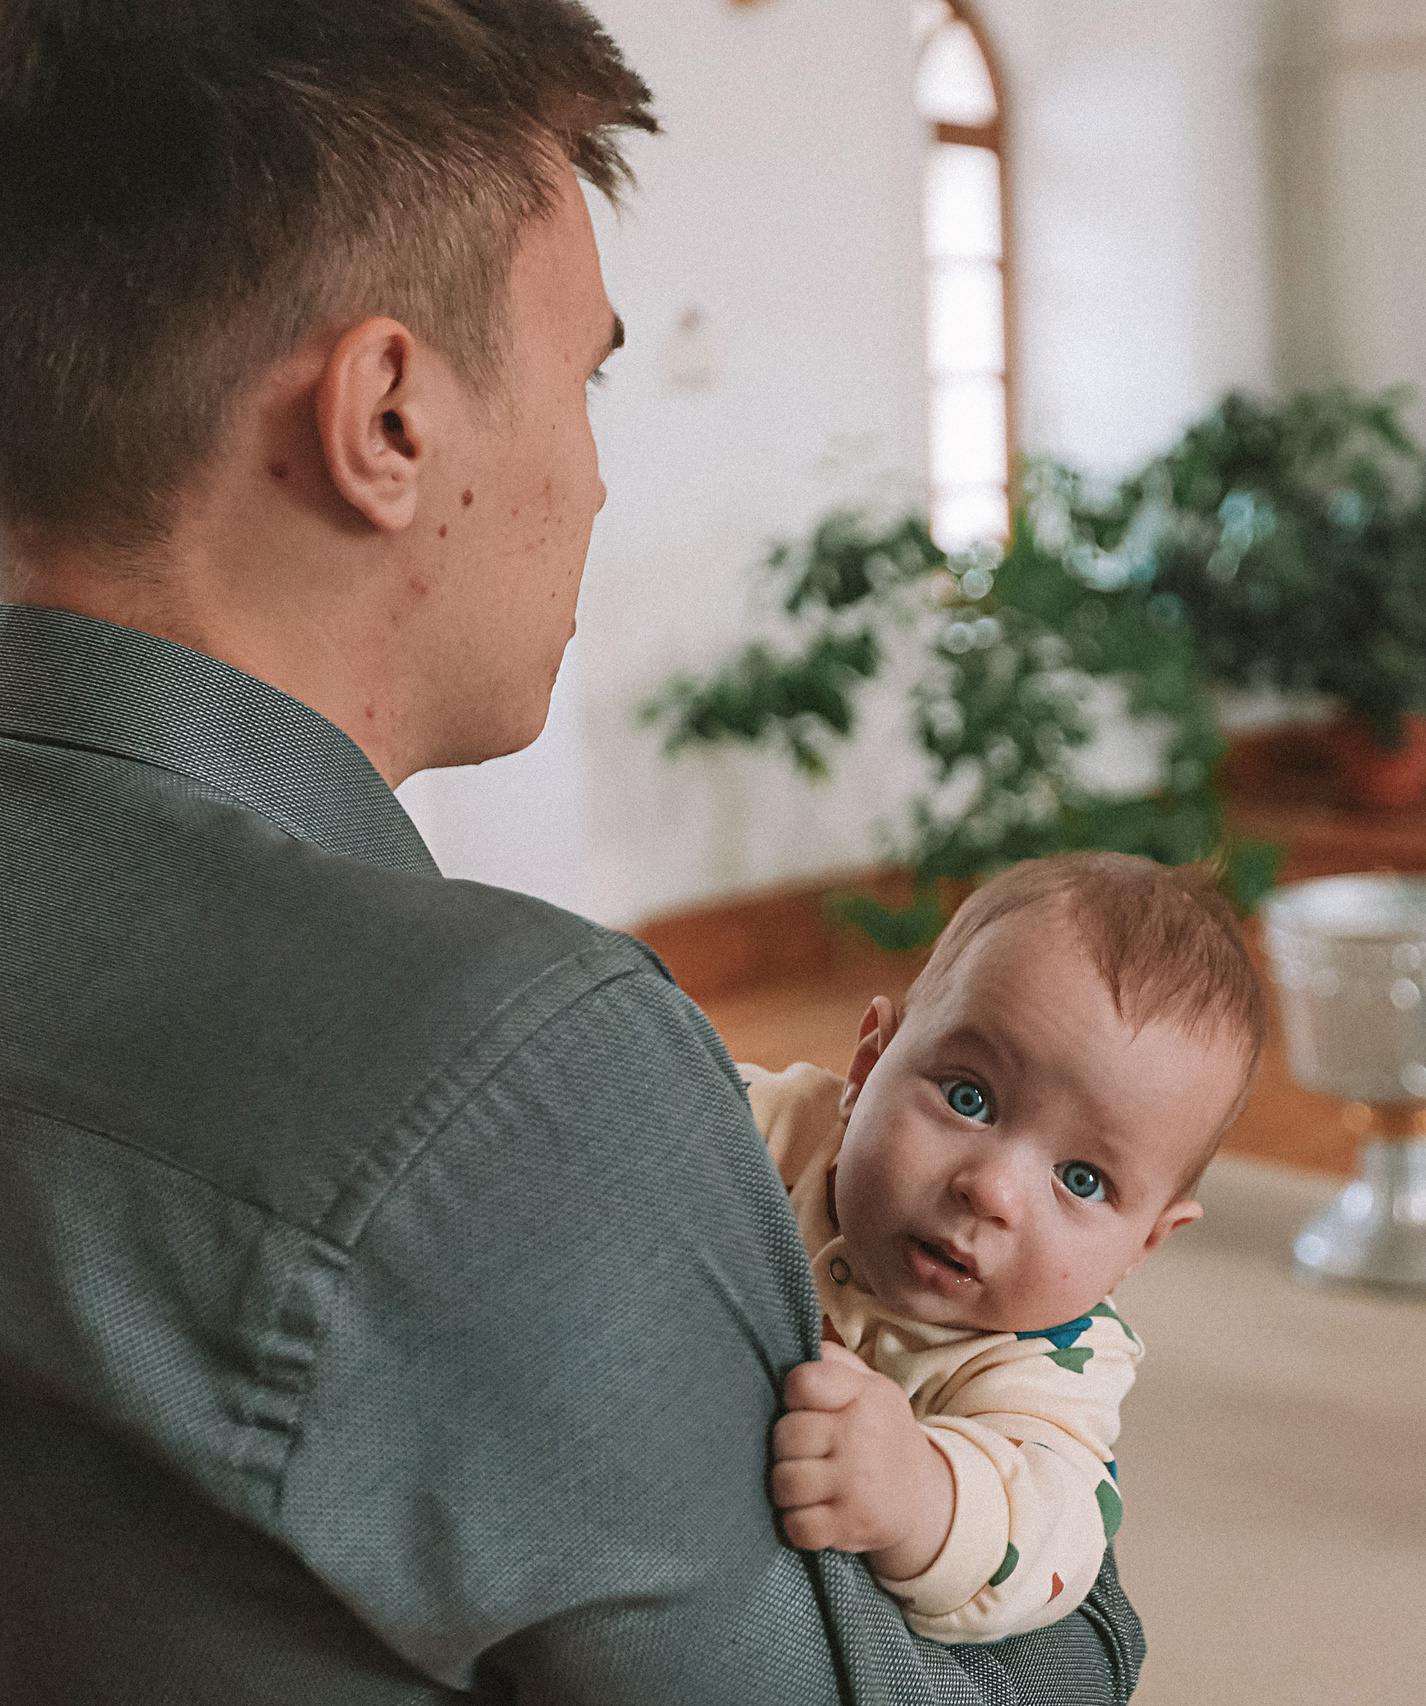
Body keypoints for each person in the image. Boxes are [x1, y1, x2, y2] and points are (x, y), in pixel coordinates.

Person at [0, 3, 1138, 1700]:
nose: (597, 479)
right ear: (388, 416)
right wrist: (1088, 1575)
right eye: (586, 375)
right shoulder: (515, 1079)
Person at [744, 853, 1262, 1642]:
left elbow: (1054, 1536)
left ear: (1144, 1244)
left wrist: (920, 1492)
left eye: (1082, 1180)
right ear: (868, 1066)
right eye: (969, 1097)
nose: (991, 1191)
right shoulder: (783, 1125)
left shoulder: (1051, 1365)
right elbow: (653, 1098)